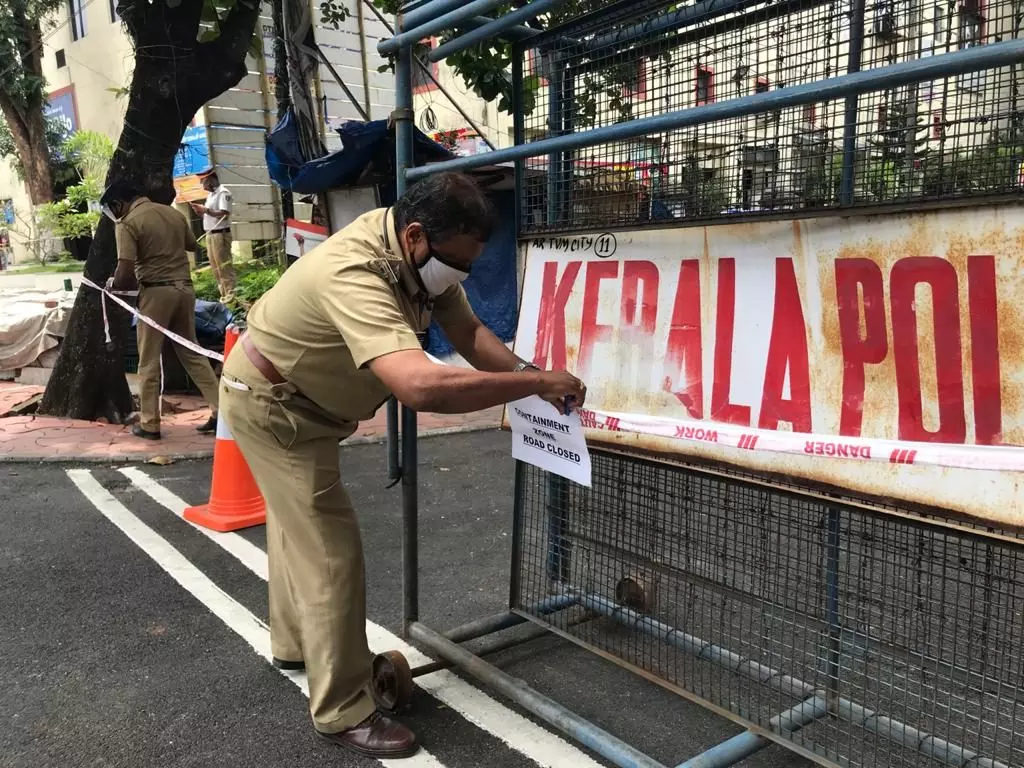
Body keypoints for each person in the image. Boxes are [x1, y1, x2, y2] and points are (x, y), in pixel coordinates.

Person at [218, 172, 587, 759]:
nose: (461, 276)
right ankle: (343, 708)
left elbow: (468, 331)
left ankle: (297, 645)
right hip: (275, 404)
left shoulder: (420, 258)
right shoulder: (356, 271)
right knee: (330, 551)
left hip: (302, 401)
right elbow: (420, 386)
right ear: (415, 235)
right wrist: (535, 383)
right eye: (456, 264)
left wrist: (529, 375)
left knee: (299, 529)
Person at [101, 183, 220, 440]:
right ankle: (221, 410)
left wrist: (114, 285)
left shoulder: (127, 223)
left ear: (119, 203)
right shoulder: (173, 213)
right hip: (184, 289)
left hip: (155, 293)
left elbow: (125, 269)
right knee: (192, 352)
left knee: (148, 360)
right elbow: (191, 245)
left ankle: (150, 423)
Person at [190, 170, 235, 300]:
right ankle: (224, 295)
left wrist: (206, 210)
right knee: (215, 268)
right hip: (210, 233)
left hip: (220, 234)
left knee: (224, 266)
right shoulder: (211, 195)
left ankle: (231, 295)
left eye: (203, 181)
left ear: (210, 179)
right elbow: (210, 215)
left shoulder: (223, 193)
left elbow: (224, 214)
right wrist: (201, 212)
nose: (202, 185)